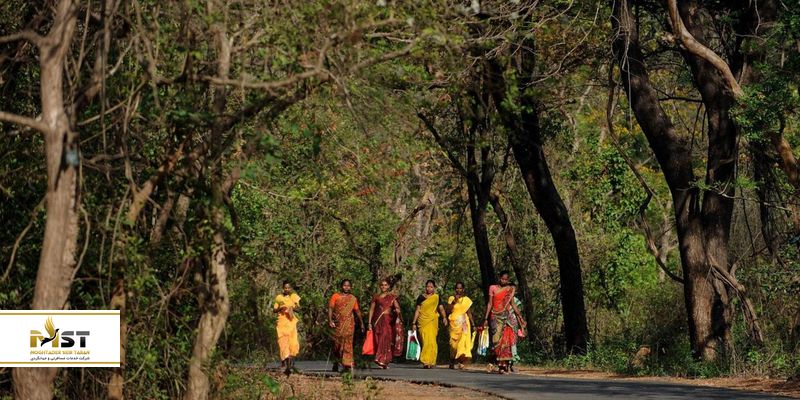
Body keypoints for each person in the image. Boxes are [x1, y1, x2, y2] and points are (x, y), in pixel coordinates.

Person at [482, 271, 526, 374]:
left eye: (506, 280)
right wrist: (485, 319)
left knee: (505, 342)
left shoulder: (509, 289)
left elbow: (513, 305)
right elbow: (489, 304)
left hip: (506, 317)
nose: (504, 281)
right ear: (499, 278)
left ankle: (503, 366)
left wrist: (520, 317)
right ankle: (492, 361)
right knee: (496, 341)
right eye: (503, 279)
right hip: (494, 316)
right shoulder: (492, 288)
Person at [328, 279, 364, 372]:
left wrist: (361, 323)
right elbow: (331, 308)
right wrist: (330, 320)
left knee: (348, 343)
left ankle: (347, 364)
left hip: (349, 323)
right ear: (341, 286)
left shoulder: (353, 299)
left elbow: (357, 311)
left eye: (348, 286)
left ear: (350, 287)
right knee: (337, 344)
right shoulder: (335, 296)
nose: (346, 287)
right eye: (344, 285)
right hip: (338, 323)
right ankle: (336, 362)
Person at [412, 279, 448, 369]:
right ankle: (425, 361)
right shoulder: (421, 297)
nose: (429, 288)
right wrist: (414, 323)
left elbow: (441, 308)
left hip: (432, 321)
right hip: (422, 322)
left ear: (434, 288)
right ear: (425, 287)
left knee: (432, 341)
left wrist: (444, 318)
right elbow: (417, 310)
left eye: (431, 287)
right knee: (425, 340)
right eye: (428, 286)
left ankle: (430, 361)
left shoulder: (436, 297)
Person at [368, 278, 402, 369]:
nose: (384, 286)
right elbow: (371, 309)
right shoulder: (376, 297)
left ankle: (382, 360)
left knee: (385, 340)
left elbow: (398, 308)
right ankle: (382, 360)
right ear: (380, 286)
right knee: (378, 340)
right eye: (382, 285)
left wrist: (397, 310)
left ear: (389, 286)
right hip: (377, 321)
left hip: (388, 322)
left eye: (385, 285)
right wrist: (369, 322)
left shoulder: (392, 297)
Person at [274, 280, 301, 374]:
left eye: (289, 288)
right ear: (283, 288)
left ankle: (290, 364)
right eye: (285, 288)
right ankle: (284, 363)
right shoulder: (279, 297)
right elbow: (274, 309)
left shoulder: (294, 297)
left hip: (291, 322)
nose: (287, 289)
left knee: (292, 342)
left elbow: (298, 309)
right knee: (282, 342)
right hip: (281, 323)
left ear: (291, 288)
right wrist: (280, 308)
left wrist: (292, 308)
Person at [446, 281, 474, 369]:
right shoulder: (451, 298)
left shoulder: (467, 300)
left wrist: (473, 324)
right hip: (454, 323)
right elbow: (448, 310)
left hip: (464, 324)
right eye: (457, 288)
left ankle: (461, 362)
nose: (459, 290)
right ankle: (452, 360)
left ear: (463, 289)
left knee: (463, 342)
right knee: (453, 344)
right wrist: (454, 301)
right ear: (455, 289)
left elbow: (469, 313)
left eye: (460, 288)